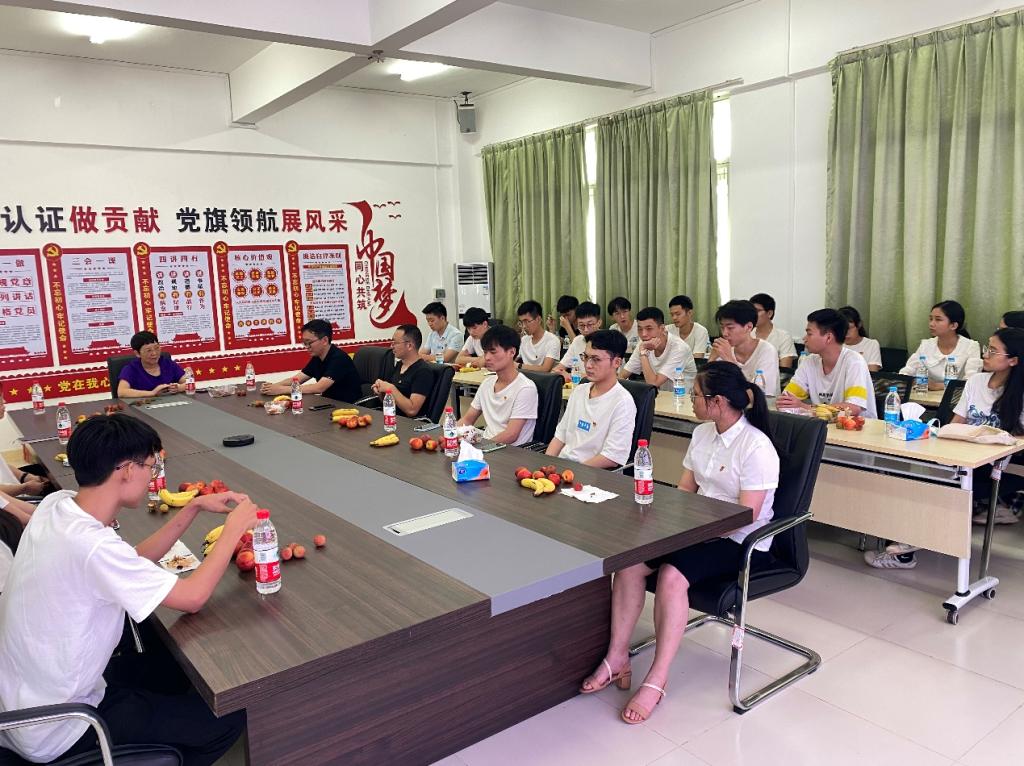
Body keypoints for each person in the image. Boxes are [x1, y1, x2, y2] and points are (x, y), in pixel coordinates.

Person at [0, 414, 255, 764]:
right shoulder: (90, 545)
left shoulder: (56, 506)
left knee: (171, 666)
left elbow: (130, 559)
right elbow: (193, 598)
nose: (153, 475)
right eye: (151, 465)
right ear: (127, 470)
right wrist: (233, 530)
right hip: (62, 725)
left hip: (32, 699)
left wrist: (193, 508)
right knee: (229, 720)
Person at [579, 362, 779, 724]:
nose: (690, 400)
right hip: (697, 529)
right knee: (629, 562)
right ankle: (617, 656)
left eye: (696, 395)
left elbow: (747, 514)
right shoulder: (703, 433)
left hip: (741, 541)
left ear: (717, 402)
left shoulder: (756, 446)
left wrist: (689, 527)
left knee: (672, 576)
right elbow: (686, 490)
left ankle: (657, 678)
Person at [954, 328, 1024, 526]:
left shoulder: (1019, 393)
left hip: (991, 461)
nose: (985, 354)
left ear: (1013, 360)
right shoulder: (976, 381)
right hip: (962, 453)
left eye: (993, 351)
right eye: (987, 348)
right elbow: (956, 423)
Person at [546, 330, 636, 468]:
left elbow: (612, 457)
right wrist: (547, 466)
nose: (588, 365)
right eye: (586, 357)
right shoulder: (579, 391)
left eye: (596, 359)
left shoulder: (622, 402)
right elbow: (560, 436)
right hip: (563, 467)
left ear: (616, 362)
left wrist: (573, 472)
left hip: (592, 474)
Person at [777, 309, 877, 417]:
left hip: (859, 426)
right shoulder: (809, 362)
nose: (804, 339)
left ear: (828, 337)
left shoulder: (854, 362)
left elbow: (853, 408)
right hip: (822, 425)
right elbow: (785, 400)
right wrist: (788, 404)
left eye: (809, 334)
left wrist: (806, 407)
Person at [458, 325, 538, 446]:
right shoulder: (487, 383)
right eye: (485, 352)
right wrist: (450, 435)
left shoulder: (525, 388)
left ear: (512, 352)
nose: (487, 358)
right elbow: (467, 419)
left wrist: (482, 448)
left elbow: (511, 435)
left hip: (510, 451)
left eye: (493, 352)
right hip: (487, 444)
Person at [261, 319, 361, 403]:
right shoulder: (318, 357)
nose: (307, 347)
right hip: (328, 402)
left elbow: (319, 388)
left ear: (325, 340)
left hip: (347, 406)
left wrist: (281, 389)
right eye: (304, 343)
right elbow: (297, 379)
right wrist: (273, 386)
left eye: (309, 342)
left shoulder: (339, 358)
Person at [899, 300, 982, 388]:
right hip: (925, 394)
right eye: (931, 319)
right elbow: (907, 371)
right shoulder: (926, 345)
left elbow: (971, 381)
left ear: (953, 325)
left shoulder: (971, 346)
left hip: (957, 395)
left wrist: (938, 386)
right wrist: (907, 380)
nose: (931, 324)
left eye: (938, 320)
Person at [708, 300, 780, 396]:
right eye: (722, 327)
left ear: (749, 327)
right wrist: (711, 360)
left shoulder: (767, 351)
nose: (724, 333)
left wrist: (730, 361)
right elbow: (707, 388)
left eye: (730, 328)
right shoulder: (724, 349)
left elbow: (760, 394)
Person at [618, 307, 697, 391]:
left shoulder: (679, 348)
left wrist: (643, 353)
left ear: (662, 328)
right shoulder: (644, 343)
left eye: (649, 329)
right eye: (640, 329)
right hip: (660, 395)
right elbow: (622, 376)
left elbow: (653, 383)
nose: (643, 334)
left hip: (682, 397)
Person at [371, 324, 434, 417]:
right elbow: (390, 401)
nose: (391, 346)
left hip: (407, 423)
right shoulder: (399, 365)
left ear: (409, 345)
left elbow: (412, 410)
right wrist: (380, 390)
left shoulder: (423, 371)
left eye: (395, 343)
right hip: (390, 416)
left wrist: (390, 388)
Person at [117, 331, 187, 398]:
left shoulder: (168, 364)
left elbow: (188, 382)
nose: (154, 353)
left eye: (157, 348)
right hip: (143, 404)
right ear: (137, 353)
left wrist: (179, 388)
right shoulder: (131, 369)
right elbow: (121, 392)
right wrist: (152, 393)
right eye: (148, 350)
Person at [552, 301, 602, 382]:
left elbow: (604, 375)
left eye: (590, 325)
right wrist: (557, 372)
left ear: (599, 322)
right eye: (581, 325)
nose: (586, 330)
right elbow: (559, 368)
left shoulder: (608, 341)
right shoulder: (577, 341)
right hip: (577, 386)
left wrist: (571, 376)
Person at [750, 293, 797, 368]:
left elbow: (785, 369)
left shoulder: (783, 337)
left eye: (757, 311)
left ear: (769, 313)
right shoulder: (747, 334)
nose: (752, 315)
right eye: (751, 311)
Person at [516, 300, 561, 372]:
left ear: (538, 319)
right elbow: (512, 360)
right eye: (521, 322)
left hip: (544, 378)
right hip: (525, 377)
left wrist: (519, 365)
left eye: (527, 321)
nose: (524, 326)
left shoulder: (553, 340)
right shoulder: (524, 340)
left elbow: (545, 369)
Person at [838, 306, 882, 371]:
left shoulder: (871, 344)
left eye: (849, 328)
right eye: (841, 329)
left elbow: (872, 372)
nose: (846, 333)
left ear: (859, 324)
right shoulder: (835, 344)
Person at [667, 295, 711, 359]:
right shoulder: (667, 330)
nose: (674, 318)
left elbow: (697, 359)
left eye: (678, 314)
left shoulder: (701, 331)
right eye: (672, 315)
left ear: (689, 313)